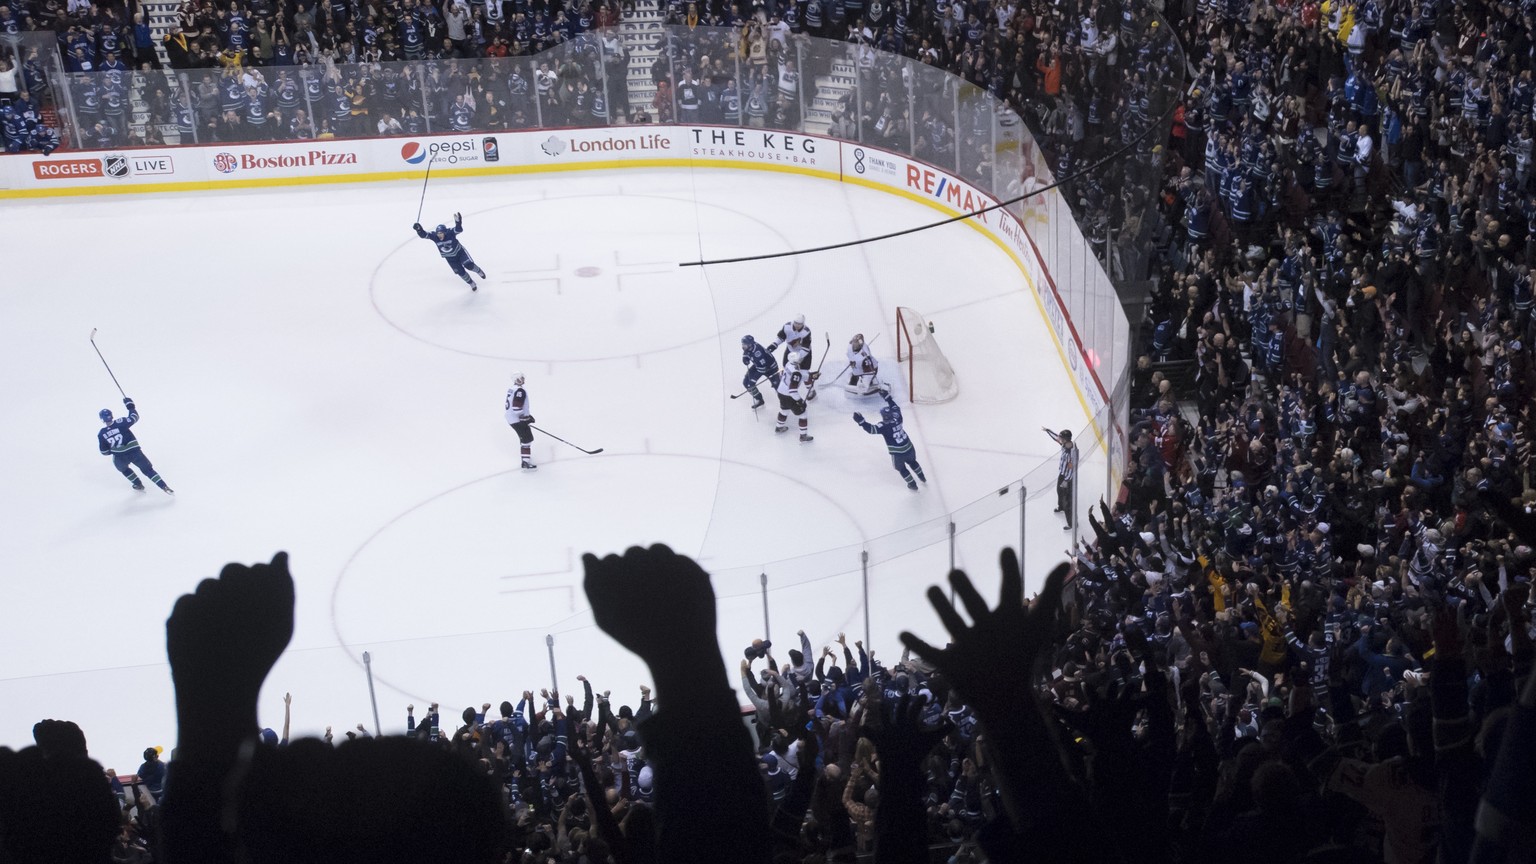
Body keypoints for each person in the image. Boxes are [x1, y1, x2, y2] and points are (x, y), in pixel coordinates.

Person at [853, 388, 927, 490]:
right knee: (913, 462)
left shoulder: (883, 426)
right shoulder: (898, 418)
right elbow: (895, 407)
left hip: (898, 454)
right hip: (909, 447)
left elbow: (871, 429)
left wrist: (861, 422)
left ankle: (913, 485)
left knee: (901, 469)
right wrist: (888, 398)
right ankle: (922, 477)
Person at [97, 398, 173, 495]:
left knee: (124, 469)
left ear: (102, 419)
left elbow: (104, 452)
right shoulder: (121, 422)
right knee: (148, 470)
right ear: (111, 416)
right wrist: (130, 406)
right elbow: (134, 417)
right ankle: (164, 486)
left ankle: (137, 484)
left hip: (120, 457)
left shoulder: (101, 433)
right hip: (135, 452)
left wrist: (115, 450)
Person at [411, 212, 486, 291]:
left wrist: (458, 222)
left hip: (460, 253)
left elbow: (459, 229)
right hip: (450, 258)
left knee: (469, 265)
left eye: (441, 233)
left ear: (445, 232)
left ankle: (478, 271)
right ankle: (471, 283)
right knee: (460, 272)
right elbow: (424, 235)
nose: (439, 235)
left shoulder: (450, 233)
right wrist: (419, 230)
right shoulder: (435, 236)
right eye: (438, 233)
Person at [774, 358, 814, 442]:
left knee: (784, 410)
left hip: (780, 391)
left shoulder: (788, 364)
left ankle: (779, 427)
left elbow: (782, 374)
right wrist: (800, 401)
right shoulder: (796, 372)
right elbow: (792, 390)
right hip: (789, 395)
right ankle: (803, 436)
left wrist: (811, 376)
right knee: (803, 414)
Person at [1043, 427, 1075, 529]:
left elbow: (1071, 469)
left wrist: (1066, 480)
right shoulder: (1064, 445)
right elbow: (1056, 437)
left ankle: (1072, 523)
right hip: (1062, 475)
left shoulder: (1070, 453)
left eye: (1061, 438)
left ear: (1065, 439)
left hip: (1067, 478)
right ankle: (1061, 507)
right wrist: (1048, 431)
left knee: (1067, 501)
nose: (1059, 439)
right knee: (1059, 491)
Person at [505, 372, 536, 470]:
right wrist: (525, 418)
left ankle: (525, 461)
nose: (522, 380)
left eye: (522, 378)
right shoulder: (519, 391)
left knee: (527, 439)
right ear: (516, 380)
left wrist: (527, 417)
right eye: (520, 378)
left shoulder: (512, 389)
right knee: (527, 440)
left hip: (513, 418)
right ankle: (525, 463)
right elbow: (516, 408)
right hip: (516, 419)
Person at [740, 334, 780, 409]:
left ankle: (786, 402)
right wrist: (745, 358)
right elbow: (747, 352)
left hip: (771, 369)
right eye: (742, 344)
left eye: (744, 344)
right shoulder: (751, 346)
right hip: (758, 365)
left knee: (778, 386)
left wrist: (753, 380)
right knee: (746, 382)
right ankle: (759, 399)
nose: (743, 346)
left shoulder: (757, 353)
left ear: (750, 344)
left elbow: (763, 369)